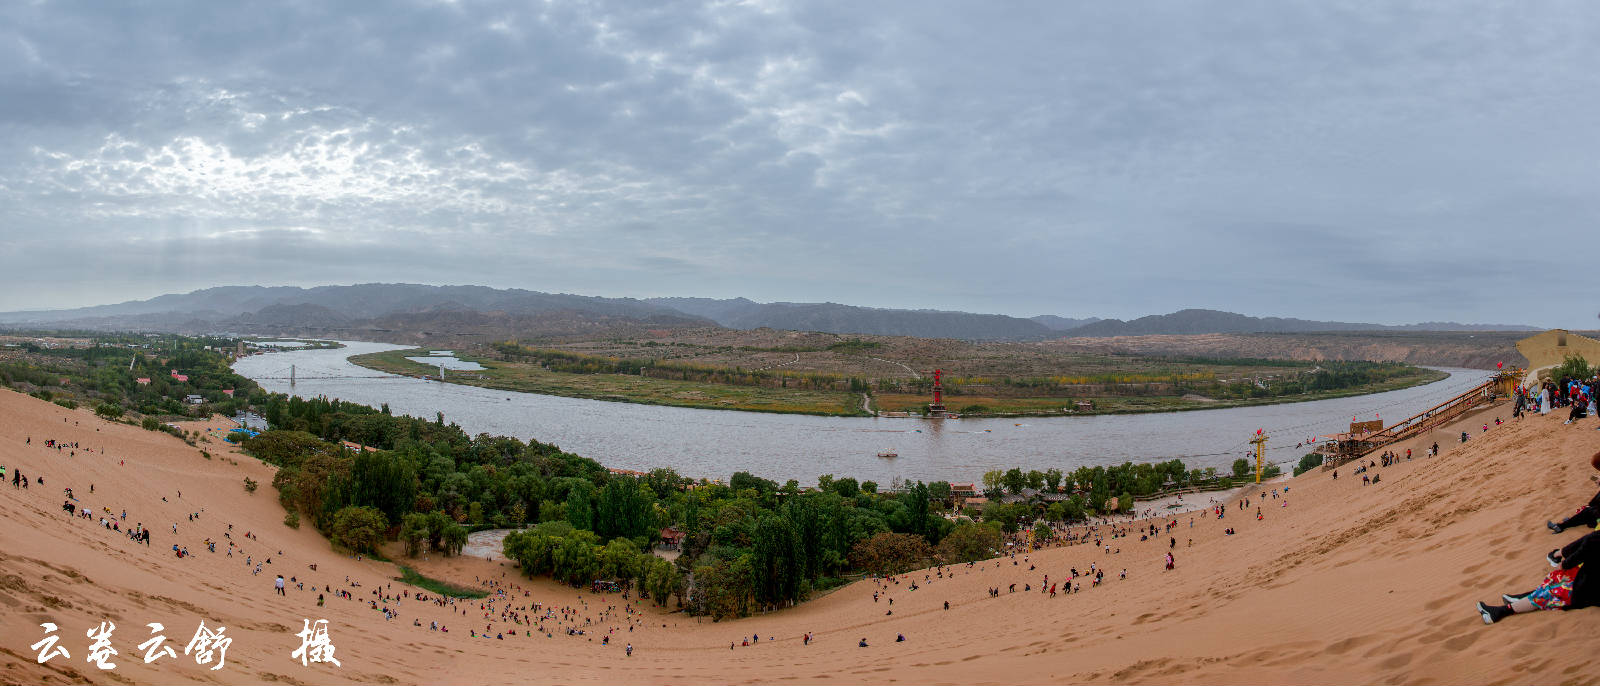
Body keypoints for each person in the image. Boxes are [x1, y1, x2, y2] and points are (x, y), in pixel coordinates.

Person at [1478, 529, 1600, 623]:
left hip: (1587, 592)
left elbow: (1581, 551)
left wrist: (1563, 563)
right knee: (1560, 579)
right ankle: (1521, 599)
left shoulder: (1595, 539)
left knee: (1552, 590)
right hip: (1589, 585)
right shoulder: (1595, 538)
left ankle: (1501, 611)